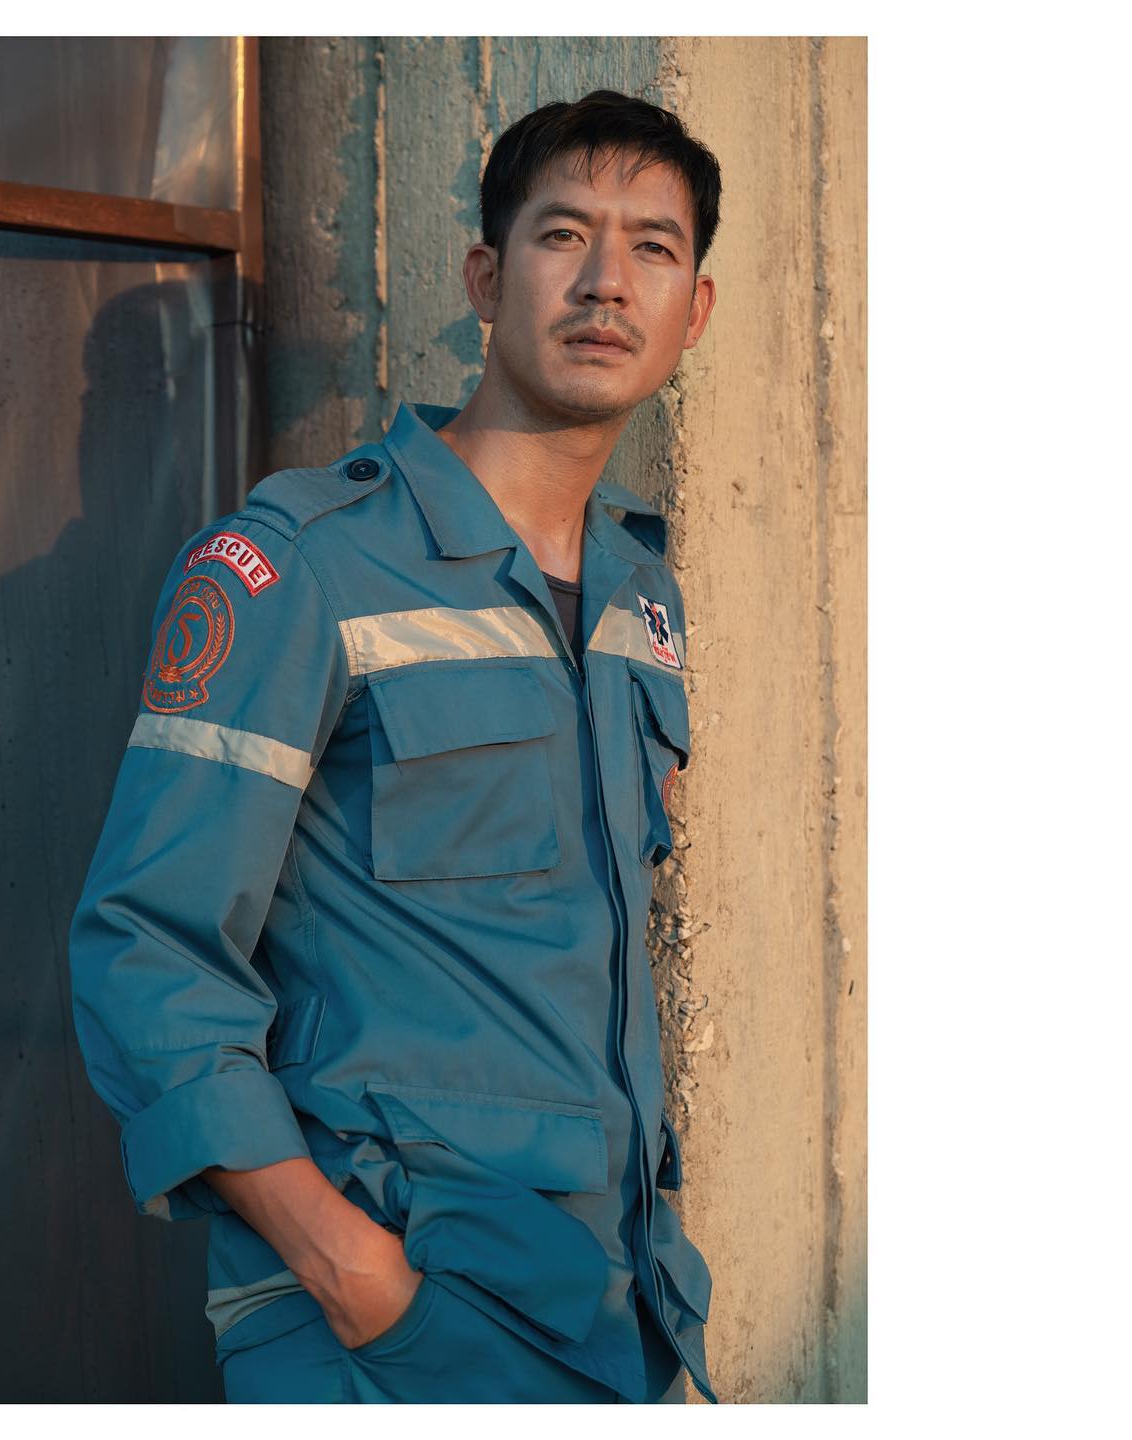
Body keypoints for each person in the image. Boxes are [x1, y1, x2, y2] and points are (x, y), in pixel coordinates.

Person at [69, 88, 721, 1404]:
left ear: (693, 310)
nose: (607, 281)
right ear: (484, 277)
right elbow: (148, 945)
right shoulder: (303, 565)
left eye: (652, 247)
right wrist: (348, 1271)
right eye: (563, 235)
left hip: (612, 1306)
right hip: (388, 1313)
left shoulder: (639, 599)